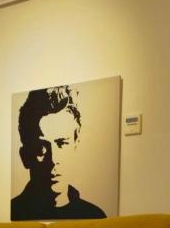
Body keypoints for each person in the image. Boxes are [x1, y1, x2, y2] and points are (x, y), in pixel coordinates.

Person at [11, 85, 106, 220]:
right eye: (41, 148)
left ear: (75, 146)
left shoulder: (95, 217)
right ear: (25, 156)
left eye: (62, 144)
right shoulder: (15, 214)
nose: (53, 160)